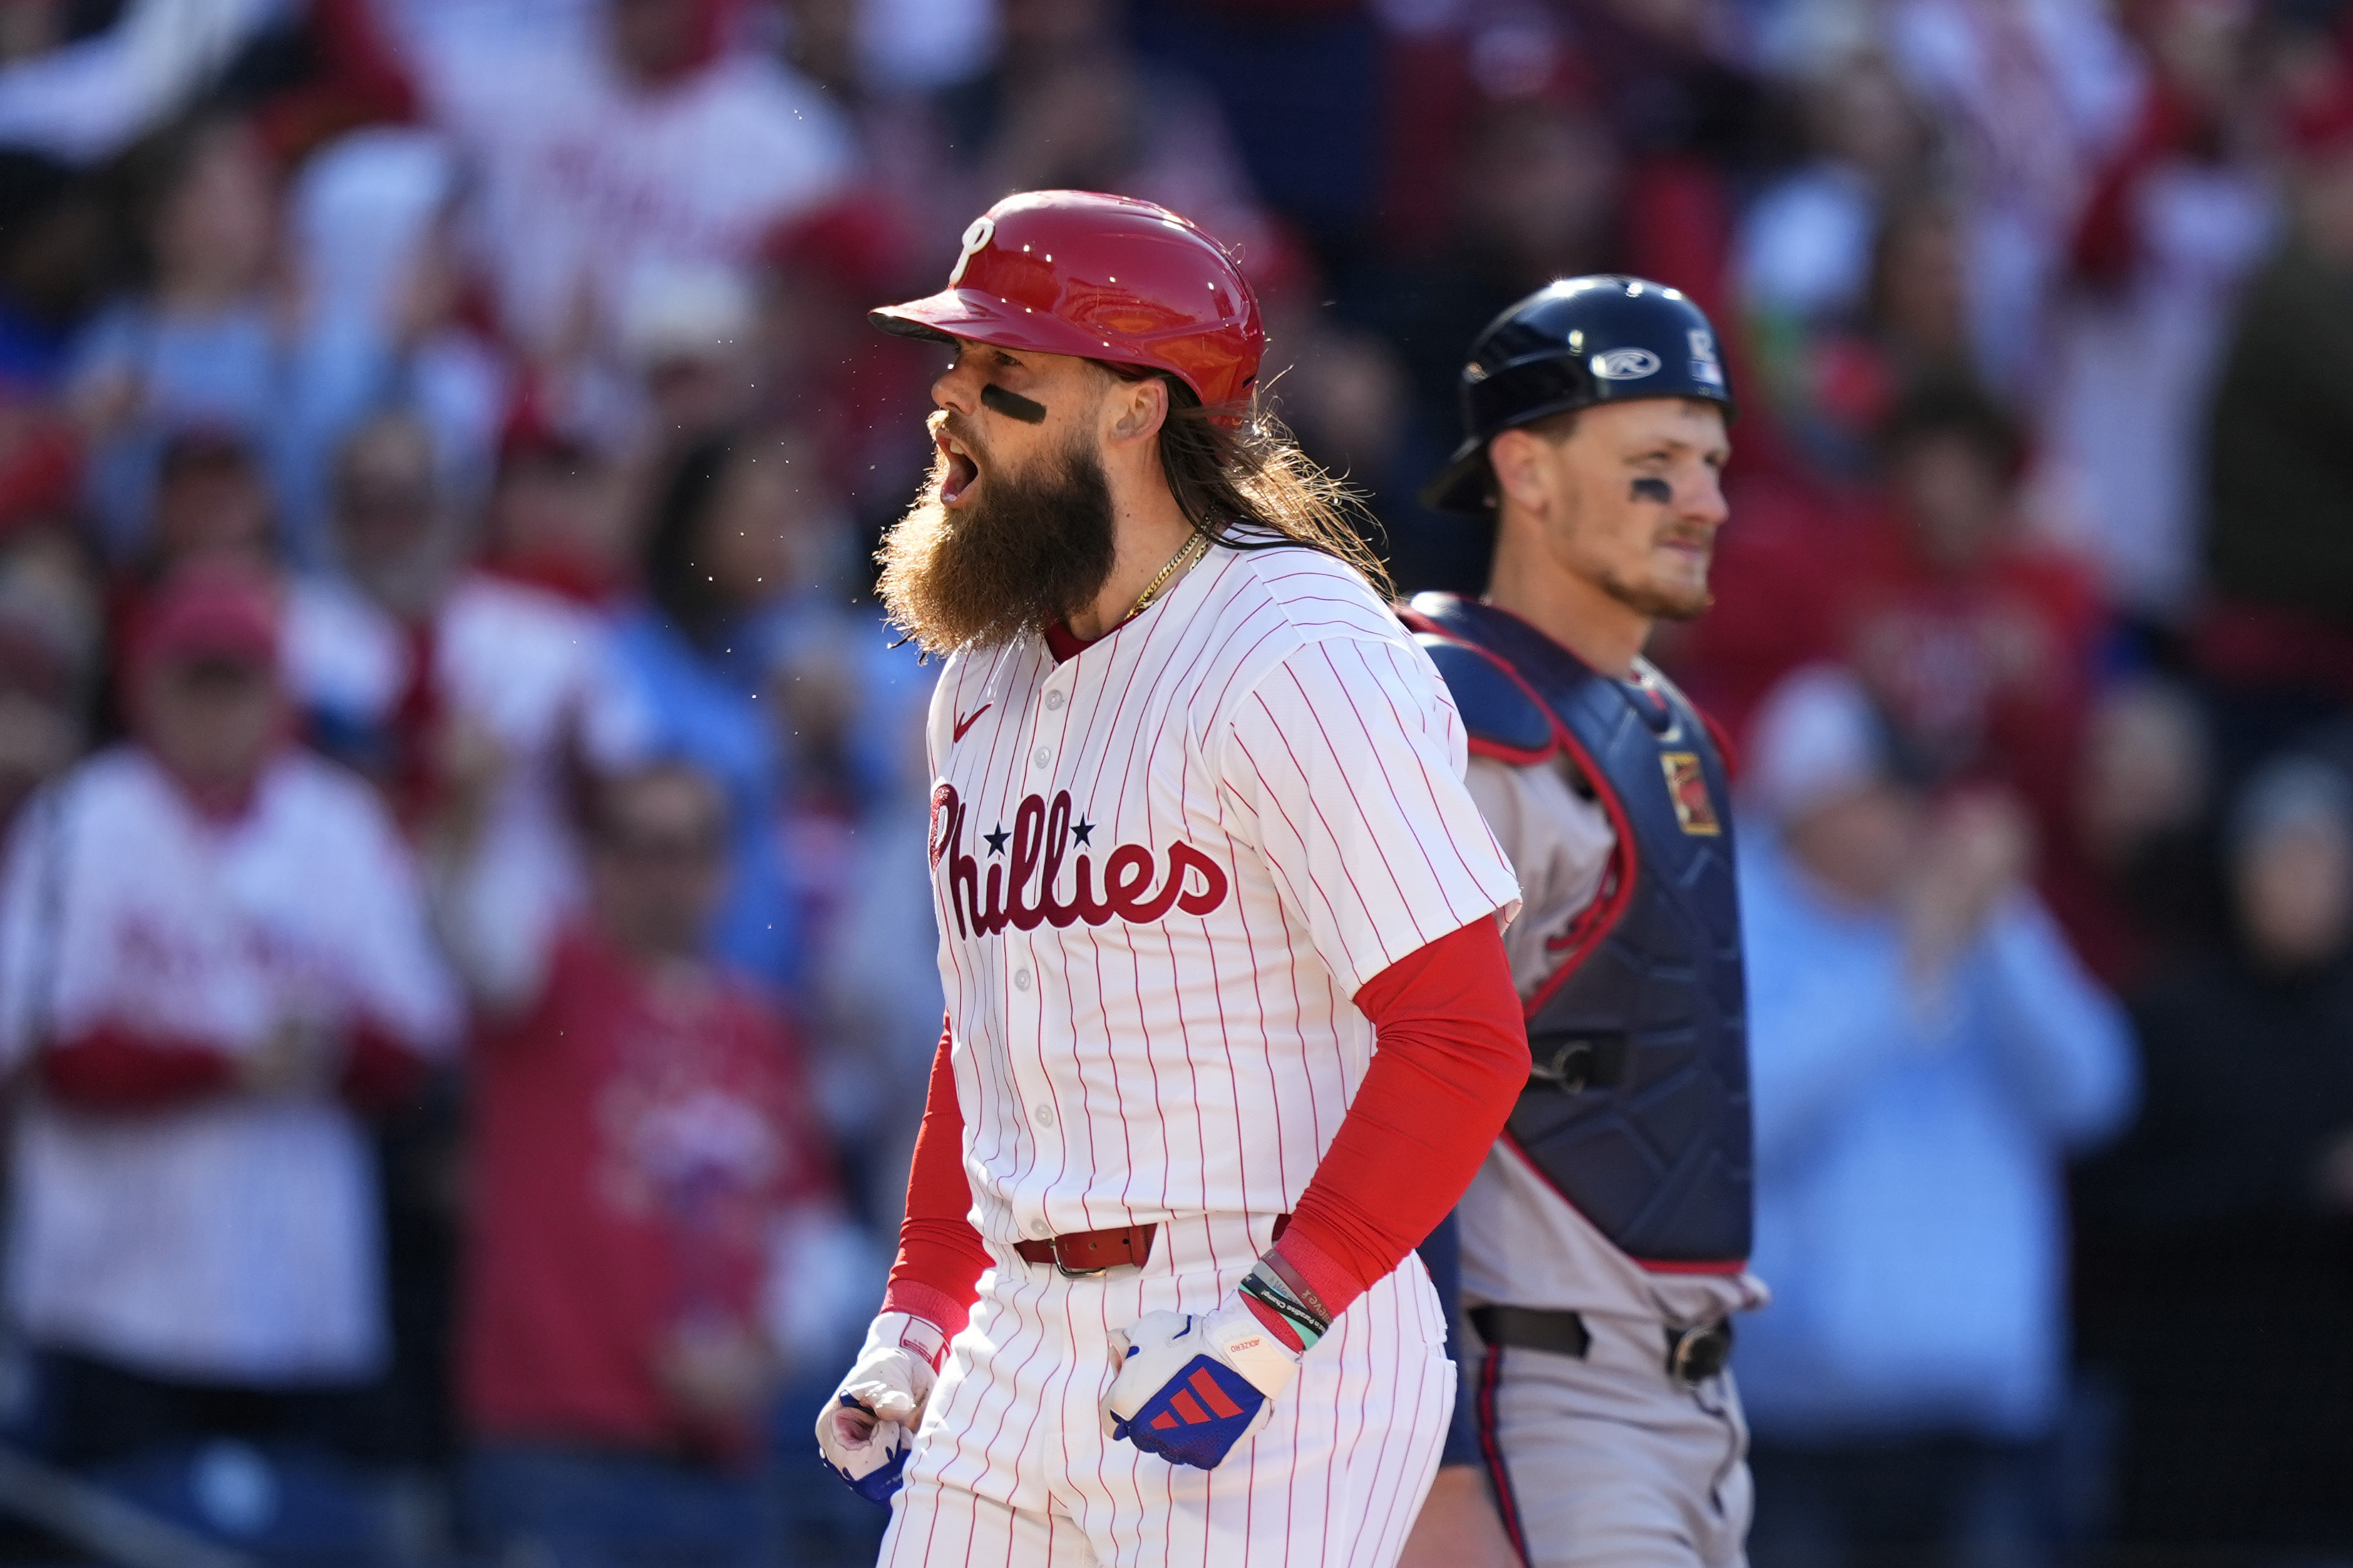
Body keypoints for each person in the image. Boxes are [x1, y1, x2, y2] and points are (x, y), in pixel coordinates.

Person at [809, 189, 1528, 1566]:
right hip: (1015, 1335)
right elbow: (1003, 1017)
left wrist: (1274, 1322)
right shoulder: (986, 675)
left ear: (1138, 410)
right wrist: (920, 1299)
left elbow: (1461, 1035)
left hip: (1259, 1318)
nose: (946, 398)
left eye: (1001, 370)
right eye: (954, 361)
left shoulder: (1296, 651)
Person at [1396, 275, 1760, 1568]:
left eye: (1712, 462)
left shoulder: (1663, 724)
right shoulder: (1453, 719)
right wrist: (1430, 1468)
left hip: (1692, 1413)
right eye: (1655, 464)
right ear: (1527, 473)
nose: (1707, 501)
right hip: (1529, 1407)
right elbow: (1368, 1098)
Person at [0, 562, 460, 1474]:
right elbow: (40, 1045)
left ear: (277, 693)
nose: (217, 708)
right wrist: (221, 1063)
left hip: (301, 1308)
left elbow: (417, 1042)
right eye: (194, 680)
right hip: (110, 1300)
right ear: (147, 687)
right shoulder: (81, 817)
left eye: (237, 681)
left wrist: (327, 1051)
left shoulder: (338, 826)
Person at [1731, 664, 2135, 1568]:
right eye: (1880, 794)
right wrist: (1908, 972)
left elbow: (2095, 1093)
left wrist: (1999, 924)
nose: (1907, 820)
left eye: (1914, 793)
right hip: (1799, 1425)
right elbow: (1739, 1119)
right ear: (1807, 802)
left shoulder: (1977, 920)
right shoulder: (1732, 919)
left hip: (1981, 1417)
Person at [453, 759, 841, 1568]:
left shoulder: (760, 1030)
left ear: (726, 869)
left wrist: (759, 1354)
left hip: (722, 1466)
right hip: (557, 1451)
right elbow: (462, 918)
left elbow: (814, 1236)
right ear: (597, 861)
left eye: (691, 847)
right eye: (640, 846)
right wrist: (463, 811)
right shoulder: (546, 986)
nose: (666, 872)